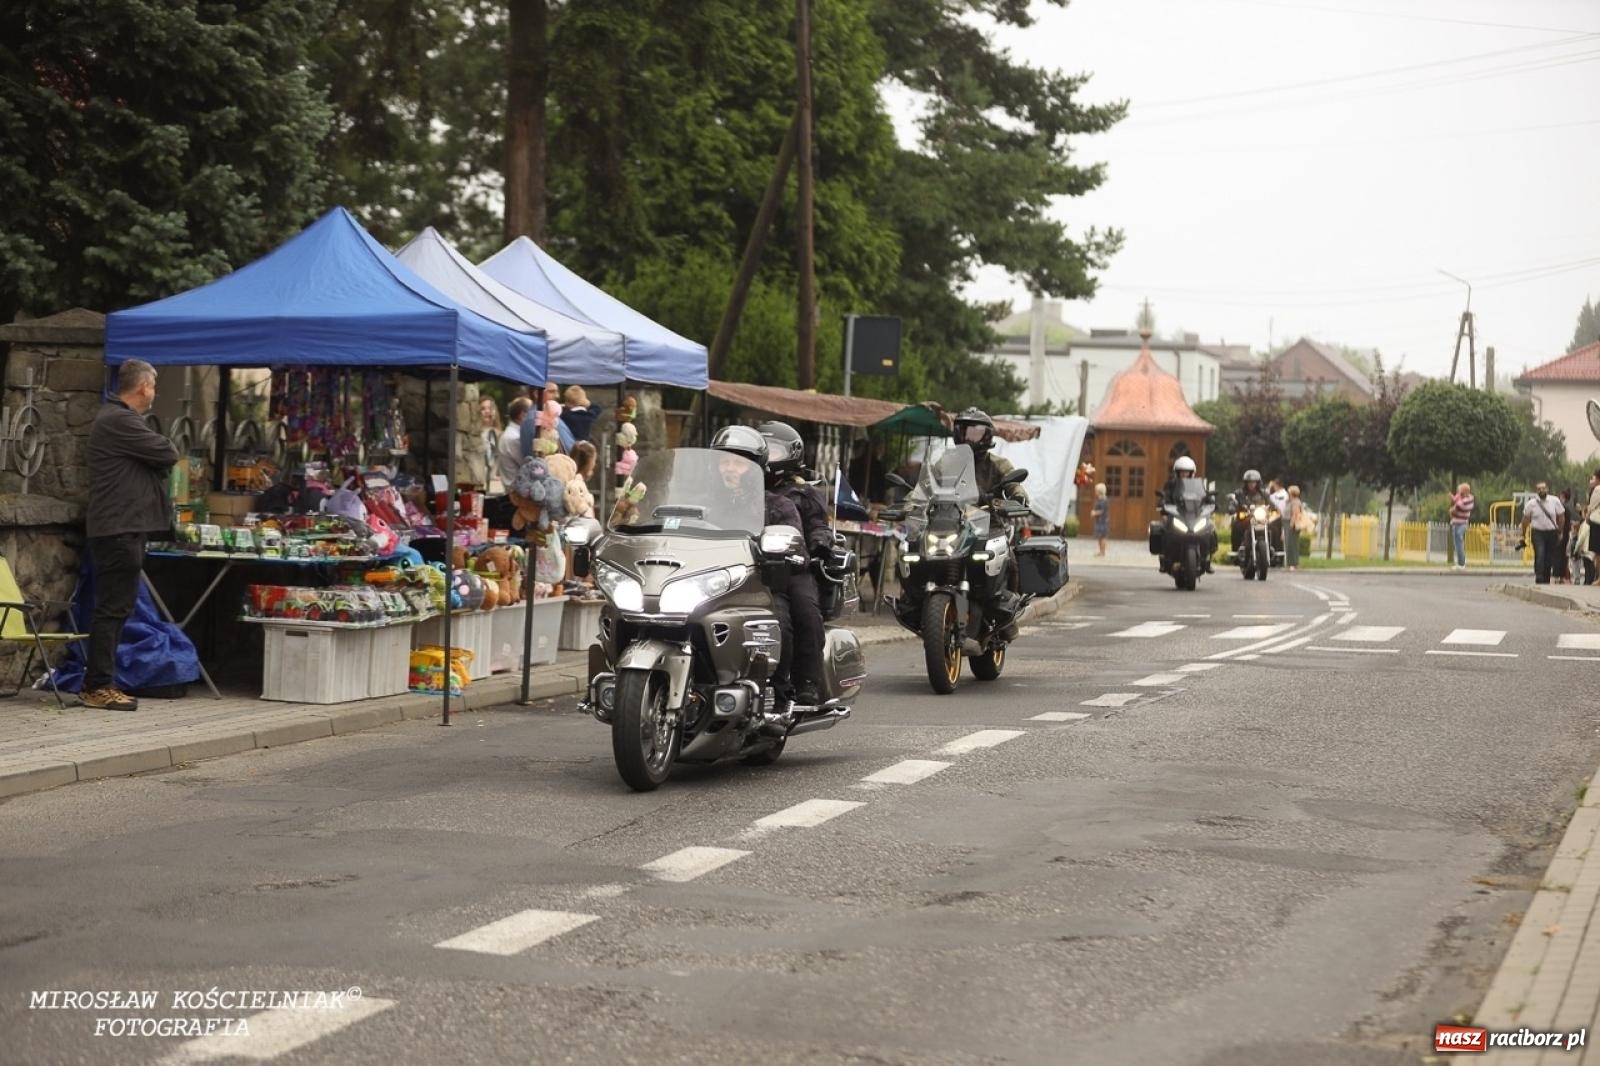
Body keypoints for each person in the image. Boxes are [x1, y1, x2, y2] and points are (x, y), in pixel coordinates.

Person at [83, 360, 180, 712]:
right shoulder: (119, 419)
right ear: (143, 388)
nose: (154, 393)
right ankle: (97, 686)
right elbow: (168, 453)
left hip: (122, 528)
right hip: (118, 529)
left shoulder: (118, 420)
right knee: (112, 609)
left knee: (116, 608)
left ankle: (101, 682)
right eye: (153, 387)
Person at [711, 425, 805, 711]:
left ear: (755, 468)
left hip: (759, 584)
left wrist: (780, 552)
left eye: (738, 463)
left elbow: (795, 544)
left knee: (782, 624)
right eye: (725, 461)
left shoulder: (779, 505)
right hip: (713, 583)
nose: (730, 468)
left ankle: (779, 688)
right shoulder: (704, 502)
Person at [758, 421, 830, 707]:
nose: (766, 457)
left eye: (771, 450)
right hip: (750, 567)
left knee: (803, 613)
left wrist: (819, 543)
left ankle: (805, 681)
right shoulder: (738, 490)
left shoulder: (803, 494)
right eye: (761, 450)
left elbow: (817, 525)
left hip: (792, 567)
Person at [952, 408, 1027, 504]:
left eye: (975, 434)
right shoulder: (947, 462)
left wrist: (1019, 496)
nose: (969, 439)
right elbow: (931, 482)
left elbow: (1013, 484)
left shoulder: (999, 464)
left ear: (987, 436)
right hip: (952, 516)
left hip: (989, 515)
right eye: (965, 433)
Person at [1159, 455, 1218, 568]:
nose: (1184, 475)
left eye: (1187, 472)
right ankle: (1166, 558)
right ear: (1177, 473)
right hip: (1178, 515)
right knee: (1165, 530)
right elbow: (1165, 496)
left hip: (1194, 515)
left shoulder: (1198, 485)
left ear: (1192, 473)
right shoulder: (1171, 485)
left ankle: (1206, 557)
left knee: (1210, 529)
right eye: (1182, 472)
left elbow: (1205, 497)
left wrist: (1212, 503)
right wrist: (1163, 503)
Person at [1520, 481, 1564, 585]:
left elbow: (1561, 516)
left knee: (1548, 557)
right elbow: (1525, 520)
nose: (1542, 491)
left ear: (1547, 489)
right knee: (1540, 553)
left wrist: (1560, 531)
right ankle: (1539, 576)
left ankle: (1546, 578)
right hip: (1537, 533)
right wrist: (1523, 534)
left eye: (1543, 488)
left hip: (1551, 532)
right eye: (1539, 489)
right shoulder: (1531, 504)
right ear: (1536, 491)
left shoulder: (1555, 501)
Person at [1229, 469, 1271, 558]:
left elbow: (1271, 503)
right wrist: (1232, 507)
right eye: (1249, 482)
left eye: (1254, 482)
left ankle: (1271, 548)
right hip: (1245, 517)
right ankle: (1237, 550)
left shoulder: (1264, 493)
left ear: (1258, 483)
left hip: (1260, 518)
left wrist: (1274, 509)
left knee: (1273, 527)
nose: (1252, 484)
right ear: (1246, 483)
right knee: (1236, 525)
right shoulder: (1239, 493)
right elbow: (1234, 502)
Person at [496, 397, 532, 487]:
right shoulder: (513, 437)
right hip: (517, 492)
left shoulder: (514, 434)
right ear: (522, 415)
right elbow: (528, 465)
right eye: (531, 412)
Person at [1449, 482, 1474, 570]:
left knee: (1458, 544)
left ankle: (1461, 564)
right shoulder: (1469, 499)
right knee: (1459, 543)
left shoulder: (1464, 502)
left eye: (1460, 491)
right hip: (1463, 523)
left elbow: (1456, 508)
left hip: (1459, 523)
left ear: (1463, 492)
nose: (1458, 493)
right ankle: (1461, 562)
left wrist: (1452, 510)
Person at [1555, 488, 1575, 584]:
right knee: (1563, 555)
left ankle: (1558, 575)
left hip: (1562, 533)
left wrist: (1559, 532)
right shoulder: (1568, 508)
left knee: (1559, 555)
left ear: (1563, 497)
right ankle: (1563, 575)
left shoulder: (1561, 507)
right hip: (1566, 534)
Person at [1284, 485, 1305, 571]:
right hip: (1289, 524)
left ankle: (1292, 563)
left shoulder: (1295, 502)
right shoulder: (1291, 501)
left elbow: (1295, 514)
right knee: (1291, 544)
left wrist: (1291, 525)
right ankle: (1293, 563)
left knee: (1291, 545)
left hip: (1291, 525)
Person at [1092, 483, 1109, 557]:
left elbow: (1102, 510)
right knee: (1099, 536)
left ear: (1099, 491)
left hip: (1103, 521)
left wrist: (1095, 513)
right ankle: (1100, 551)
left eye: (1096, 490)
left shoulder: (1104, 500)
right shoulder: (1099, 499)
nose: (1095, 492)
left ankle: (1103, 552)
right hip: (1098, 521)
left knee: (1103, 537)